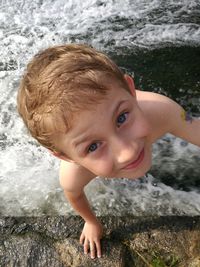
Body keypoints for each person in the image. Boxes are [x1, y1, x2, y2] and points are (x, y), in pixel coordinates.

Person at [17, 43, 200, 259]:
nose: (128, 152)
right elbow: (75, 195)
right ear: (66, 157)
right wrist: (91, 222)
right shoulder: (74, 174)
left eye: (122, 118)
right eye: (93, 146)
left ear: (132, 92)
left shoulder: (162, 111)